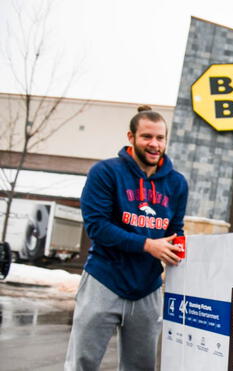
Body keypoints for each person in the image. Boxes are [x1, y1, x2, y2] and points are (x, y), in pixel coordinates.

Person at [65, 105, 189, 370]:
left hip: (147, 287)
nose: (154, 144)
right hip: (103, 279)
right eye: (147, 137)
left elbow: (175, 230)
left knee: (141, 366)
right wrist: (147, 244)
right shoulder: (105, 172)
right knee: (82, 362)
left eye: (160, 138)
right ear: (131, 137)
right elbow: (97, 226)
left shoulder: (177, 184)